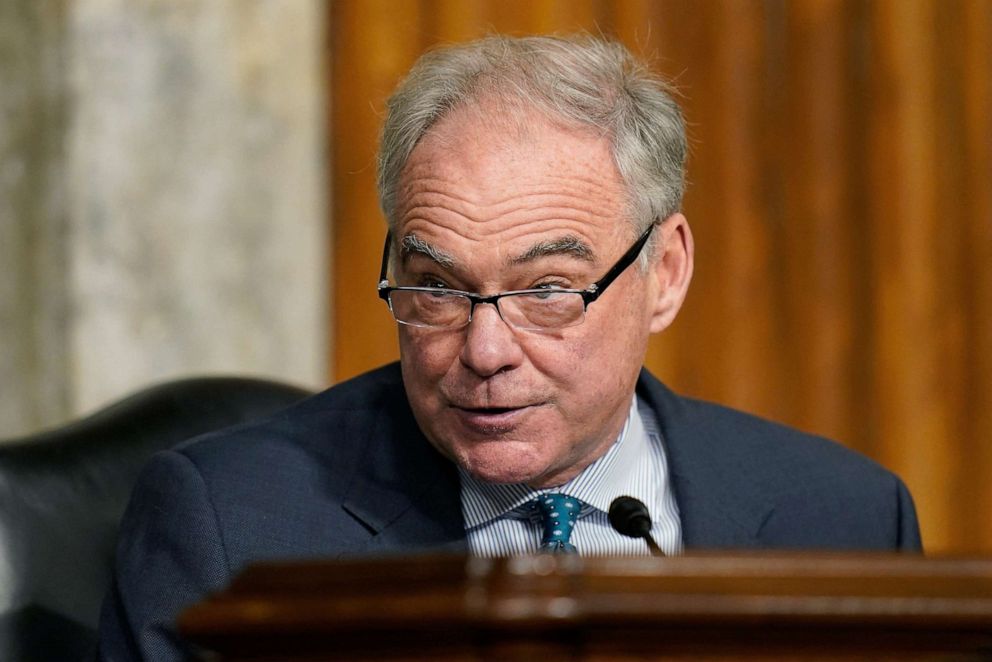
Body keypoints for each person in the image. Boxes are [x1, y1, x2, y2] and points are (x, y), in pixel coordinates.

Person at [97, 34, 921, 660]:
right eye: (436, 286)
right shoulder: (230, 530)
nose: (485, 350)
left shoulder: (845, 518)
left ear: (664, 273)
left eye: (548, 291)